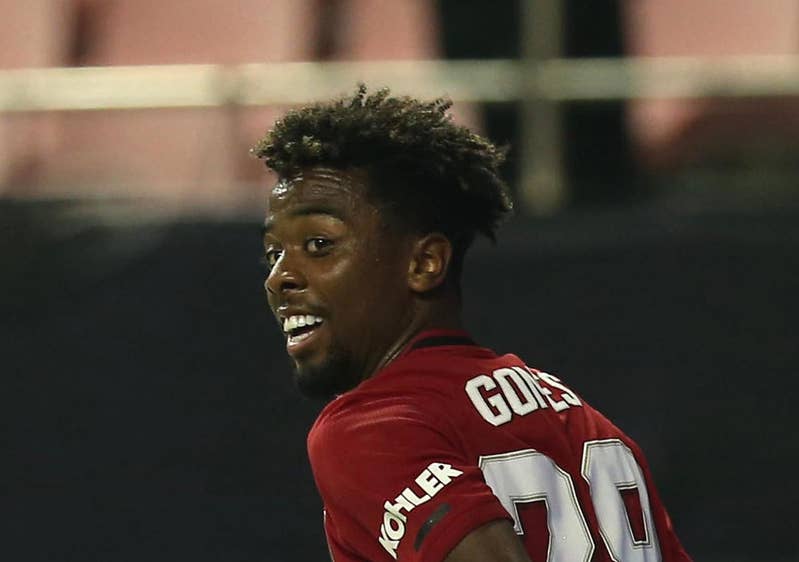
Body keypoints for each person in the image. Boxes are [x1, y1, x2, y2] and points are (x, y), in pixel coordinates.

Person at [254, 85, 692, 562]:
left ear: (425, 263)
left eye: (319, 245)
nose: (279, 278)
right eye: (274, 253)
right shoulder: (586, 422)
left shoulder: (373, 428)